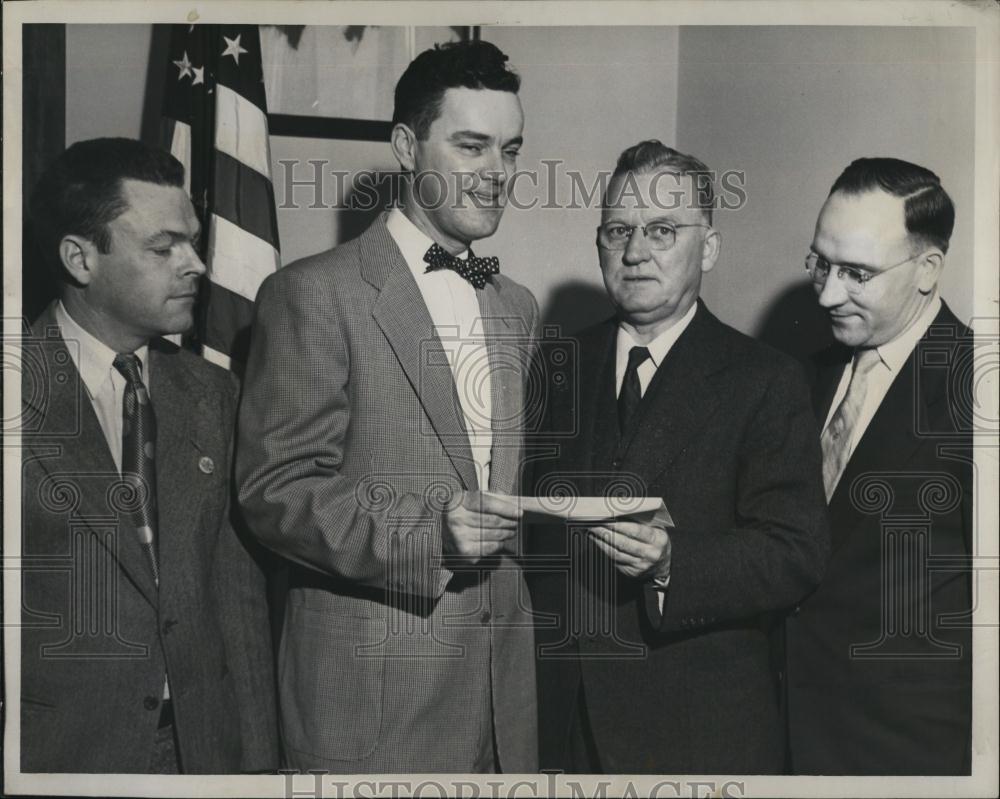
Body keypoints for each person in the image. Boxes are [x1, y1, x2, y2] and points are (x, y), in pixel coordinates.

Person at [236, 41, 538, 773]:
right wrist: (430, 532)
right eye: (471, 146)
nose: (497, 173)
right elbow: (273, 491)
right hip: (370, 713)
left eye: (511, 149)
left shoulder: (519, 308)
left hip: (502, 710)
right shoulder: (313, 293)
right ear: (406, 145)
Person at [528, 140, 830, 774]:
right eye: (618, 231)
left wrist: (673, 560)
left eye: (662, 230)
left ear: (709, 248)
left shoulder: (766, 379)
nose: (635, 252)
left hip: (698, 736)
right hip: (561, 726)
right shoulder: (557, 364)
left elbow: (797, 552)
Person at [19, 137, 278, 774]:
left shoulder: (213, 394)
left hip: (201, 753)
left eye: (192, 242)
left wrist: (259, 770)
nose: (196, 266)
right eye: (163, 248)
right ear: (80, 259)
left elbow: (237, 602)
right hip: (57, 759)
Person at [785, 157, 973, 775]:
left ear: (927, 270)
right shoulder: (803, 376)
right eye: (822, 264)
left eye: (858, 274)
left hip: (908, 756)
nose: (829, 293)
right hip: (789, 738)